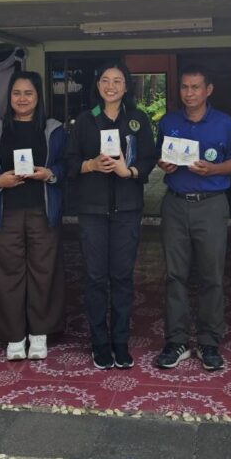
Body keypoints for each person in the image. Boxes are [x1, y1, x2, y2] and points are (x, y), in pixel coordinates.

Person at [66, 60, 157, 370]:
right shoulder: (85, 120)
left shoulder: (138, 119)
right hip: (92, 209)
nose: (111, 86)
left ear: (126, 86)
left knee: (121, 276)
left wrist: (128, 171)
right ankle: (99, 342)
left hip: (127, 209)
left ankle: (120, 341)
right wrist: (90, 165)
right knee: (95, 277)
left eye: (117, 80)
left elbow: (149, 158)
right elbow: (69, 162)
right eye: (105, 80)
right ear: (98, 85)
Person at [154, 64, 231, 371]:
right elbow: (160, 155)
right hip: (175, 204)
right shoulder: (168, 121)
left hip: (211, 205)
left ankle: (209, 342)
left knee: (211, 276)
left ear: (208, 90)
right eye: (184, 87)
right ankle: (176, 341)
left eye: (195, 87)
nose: (189, 93)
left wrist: (215, 169)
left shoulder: (224, 123)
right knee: (174, 275)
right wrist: (164, 165)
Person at [0, 71, 66, 361]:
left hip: (42, 211)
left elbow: (67, 164)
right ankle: (14, 335)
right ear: (9, 96)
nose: (22, 99)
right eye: (16, 93)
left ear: (38, 97)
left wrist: (50, 173)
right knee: (7, 273)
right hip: (4, 212)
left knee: (44, 272)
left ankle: (39, 333)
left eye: (28, 93)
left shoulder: (53, 128)